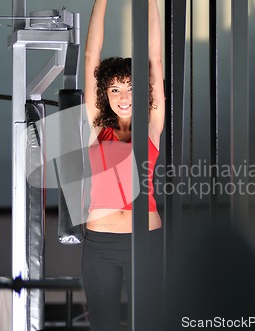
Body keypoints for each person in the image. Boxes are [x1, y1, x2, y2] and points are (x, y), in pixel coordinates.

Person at [81, 0, 165, 330]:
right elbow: (91, 58)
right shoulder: (96, 127)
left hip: (146, 241)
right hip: (100, 244)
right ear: (106, 93)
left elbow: (155, 58)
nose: (123, 95)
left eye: (130, 86)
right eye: (114, 88)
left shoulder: (151, 126)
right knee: (103, 325)